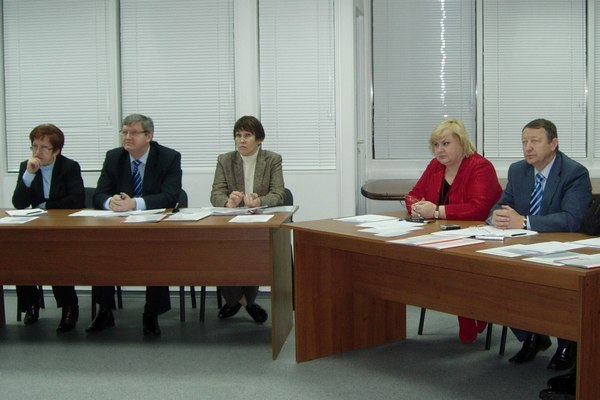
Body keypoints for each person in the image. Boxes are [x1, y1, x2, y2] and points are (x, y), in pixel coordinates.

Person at [489, 118, 591, 371]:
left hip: (564, 248)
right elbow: (500, 206)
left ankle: (567, 343)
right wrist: (497, 217)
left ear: (553, 144)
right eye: (524, 141)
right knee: (498, 275)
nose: (528, 147)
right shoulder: (518, 170)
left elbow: (572, 219)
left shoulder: (574, 173)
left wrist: (524, 221)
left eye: (535, 141)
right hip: (523, 246)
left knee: (558, 285)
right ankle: (532, 335)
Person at [406, 118, 502, 344]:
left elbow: (479, 208)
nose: (439, 150)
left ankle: (474, 312)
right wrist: (416, 207)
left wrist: (436, 211)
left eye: (446, 143)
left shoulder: (480, 166)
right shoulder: (435, 166)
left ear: (462, 142)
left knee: (456, 266)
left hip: (479, 237)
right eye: (436, 145)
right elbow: (412, 194)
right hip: (441, 235)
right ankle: (469, 311)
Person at [88, 113, 182, 335]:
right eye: (124, 132)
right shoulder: (114, 157)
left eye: (133, 133)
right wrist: (110, 202)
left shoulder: (168, 157)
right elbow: (98, 194)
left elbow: (170, 196)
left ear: (148, 136)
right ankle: (105, 311)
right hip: (118, 227)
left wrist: (135, 204)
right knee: (99, 251)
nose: (127, 137)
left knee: (156, 254)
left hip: (154, 227)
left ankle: (151, 312)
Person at [210, 115, 285, 323]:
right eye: (238, 135)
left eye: (247, 135)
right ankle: (246, 302)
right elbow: (216, 193)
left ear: (259, 139)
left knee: (254, 252)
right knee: (220, 251)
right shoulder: (225, 160)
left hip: (259, 222)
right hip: (230, 223)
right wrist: (228, 202)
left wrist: (259, 201)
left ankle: (236, 302)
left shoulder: (272, 159)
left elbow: (279, 193)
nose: (241, 140)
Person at [12, 123, 85, 332]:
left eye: (44, 147)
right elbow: (19, 203)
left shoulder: (69, 167)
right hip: (36, 227)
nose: (38, 152)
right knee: (18, 255)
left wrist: (46, 205)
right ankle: (31, 304)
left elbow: (77, 199)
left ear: (56, 151)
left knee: (56, 258)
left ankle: (69, 307)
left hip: (63, 229)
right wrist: (28, 175)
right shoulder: (26, 167)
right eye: (35, 146)